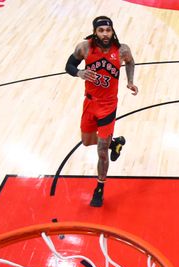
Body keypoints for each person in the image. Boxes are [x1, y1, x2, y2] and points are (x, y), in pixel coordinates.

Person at [65, 15, 138, 207]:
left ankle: (99, 187)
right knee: (87, 141)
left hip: (108, 105)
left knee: (101, 151)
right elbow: (69, 65)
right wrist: (79, 72)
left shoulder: (122, 50)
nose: (105, 34)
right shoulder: (85, 48)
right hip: (89, 103)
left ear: (113, 31)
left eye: (108, 30)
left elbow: (131, 62)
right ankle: (115, 143)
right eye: (101, 30)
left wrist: (130, 81)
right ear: (95, 32)